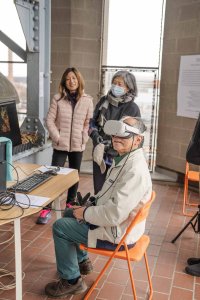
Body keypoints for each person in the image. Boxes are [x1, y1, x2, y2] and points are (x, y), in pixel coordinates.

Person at [44, 116, 152, 298]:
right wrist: (89, 205)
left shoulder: (135, 170)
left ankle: (72, 281)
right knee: (70, 212)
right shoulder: (124, 159)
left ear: (138, 139)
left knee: (60, 227)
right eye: (115, 134)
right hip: (118, 226)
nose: (116, 138)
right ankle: (82, 261)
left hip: (117, 234)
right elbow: (108, 195)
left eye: (123, 135)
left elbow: (113, 215)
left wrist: (85, 213)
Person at [36, 67, 93, 224]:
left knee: (74, 176)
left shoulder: (87, 100)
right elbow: (49, 120)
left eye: (74, 78)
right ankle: (47, 208)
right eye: (68, 79)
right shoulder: (58, 99)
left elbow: (89, 122)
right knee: (54, 176)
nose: (71, 81)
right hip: (60, 144)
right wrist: (57, 137)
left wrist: (84, 137)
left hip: (77, 144)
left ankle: (70, 204)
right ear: (64, 82)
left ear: (78, 80)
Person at [89, 70, 141, 195]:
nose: (115, 86)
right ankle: (96, 212)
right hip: (99, 153)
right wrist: (95, 135)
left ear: (129, 88)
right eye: (114, 83)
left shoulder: (133, 108)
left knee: (114, 191)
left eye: (120, 84)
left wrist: (108, 144)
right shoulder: (103, 101)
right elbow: (91, 122)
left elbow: (133, 135)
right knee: (99, 189)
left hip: (118, 156)